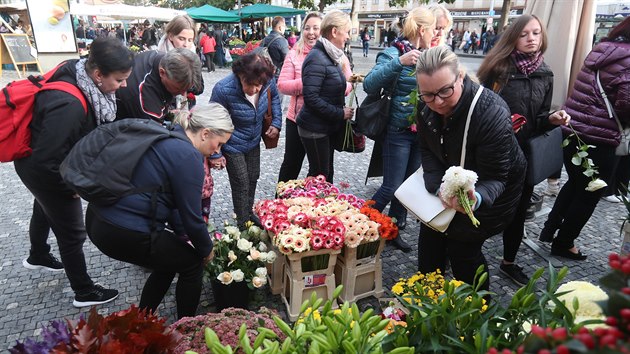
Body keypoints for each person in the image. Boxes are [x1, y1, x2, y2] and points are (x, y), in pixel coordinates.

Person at [14, 37, 133, 307]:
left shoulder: (78, 71)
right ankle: (84, 291)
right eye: (119, 79)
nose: (123, 85)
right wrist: (71, 188)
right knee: (72, 233)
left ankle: (38, 255)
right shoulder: (70, 104)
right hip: (41, 169)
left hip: (35, 163)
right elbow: (48, 160)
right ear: (98, 74)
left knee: (42, 208)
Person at [86, 104, 233, 319]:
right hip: (123, 229)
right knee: (192, 265)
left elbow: (176, 208)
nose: (217, 151)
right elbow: (192, 218)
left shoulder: (169, 136)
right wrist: (206, 250)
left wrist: (186, 239)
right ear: (205, 133)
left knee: (170, 260)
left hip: (99, 219)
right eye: (218, 144)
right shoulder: (189, 157)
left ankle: (142, 321)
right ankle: (186, 329)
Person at [415, 46, 526, 290]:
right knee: (429, 242)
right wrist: (438, 188)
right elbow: (428, 150)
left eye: (445, 90)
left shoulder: (491, 112)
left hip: (492, 189)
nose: (438, 102)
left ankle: (476, 310)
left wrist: (474, 201)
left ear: (461, 77)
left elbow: (497, 177)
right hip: (451, 178)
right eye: (428, 94)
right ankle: (426, 301)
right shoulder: (424, 106)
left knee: (462, 249)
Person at [477, 14, 570, 285]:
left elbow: (540, 117)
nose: (531, 39)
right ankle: (465, 251)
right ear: (513, 37)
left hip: (525, 155)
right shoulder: (498, 69)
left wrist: (551, 119)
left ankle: (509, 261)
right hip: (494, 152)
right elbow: (480, 110)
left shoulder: (546, 72)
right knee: (485, 205)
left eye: (536, 33)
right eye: (525, 34)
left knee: (518, 209)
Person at [539, 16, 630, 260]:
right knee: (589, 193)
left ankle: (549, 231)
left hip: (573, 129)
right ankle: (565, 242)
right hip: (600, 136)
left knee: (575, 184)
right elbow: (626, 105)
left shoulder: (602, 50)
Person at [362, 6, 436, 252]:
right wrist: (399, 62)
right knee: (391, 186)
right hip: (397, 130)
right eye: (433, 28)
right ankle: (361, 222)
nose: (436, 33)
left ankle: (392, 229)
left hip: (420, 131)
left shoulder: (429, 54)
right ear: (422, 29)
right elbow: (370, 85)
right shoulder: (394, 52)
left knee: (406, 187)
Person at [210, 53, 282, 227]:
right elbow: (213, 122)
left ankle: (248, 213)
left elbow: (276, 101)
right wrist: (215, 154)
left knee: (253, 177)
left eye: (260, 85)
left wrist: (277, 123)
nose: (257, 89)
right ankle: (243, 225)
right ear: (241, 76)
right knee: (241, 182)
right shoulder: (223, 89)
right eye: (252, 85)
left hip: (254, 140)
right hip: (232, 143)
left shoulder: (266, 81)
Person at [298, 10, 354, 183]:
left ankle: (320, 208)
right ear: (335, 31)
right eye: (347, 31)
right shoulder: (318, 58)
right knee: (320, 176)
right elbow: (311, 98)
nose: (348, 37)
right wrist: (340, 113)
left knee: (324, 174)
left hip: (324, 126)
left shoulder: (331, 55)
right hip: (314, 128)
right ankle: (303, 208)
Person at [277, 12, 324, 183]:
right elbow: (282, 85)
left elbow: (347, 83)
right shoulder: (293, 54)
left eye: (316, 28)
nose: (311, 32)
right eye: (307, 28)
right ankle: (278, 204)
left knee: (320, 170)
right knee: (291, 165)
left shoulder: (334, 53)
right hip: (296, 120)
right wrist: (311, 83)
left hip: (323, 120)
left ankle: (311, 205)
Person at [115, 48, 202, 122]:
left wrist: (169, 114)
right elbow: (154, 136)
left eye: (186, 89)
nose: (183, 94)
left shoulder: (163, 58)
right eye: (177, 89)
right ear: (162, 72)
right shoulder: (145, 97)